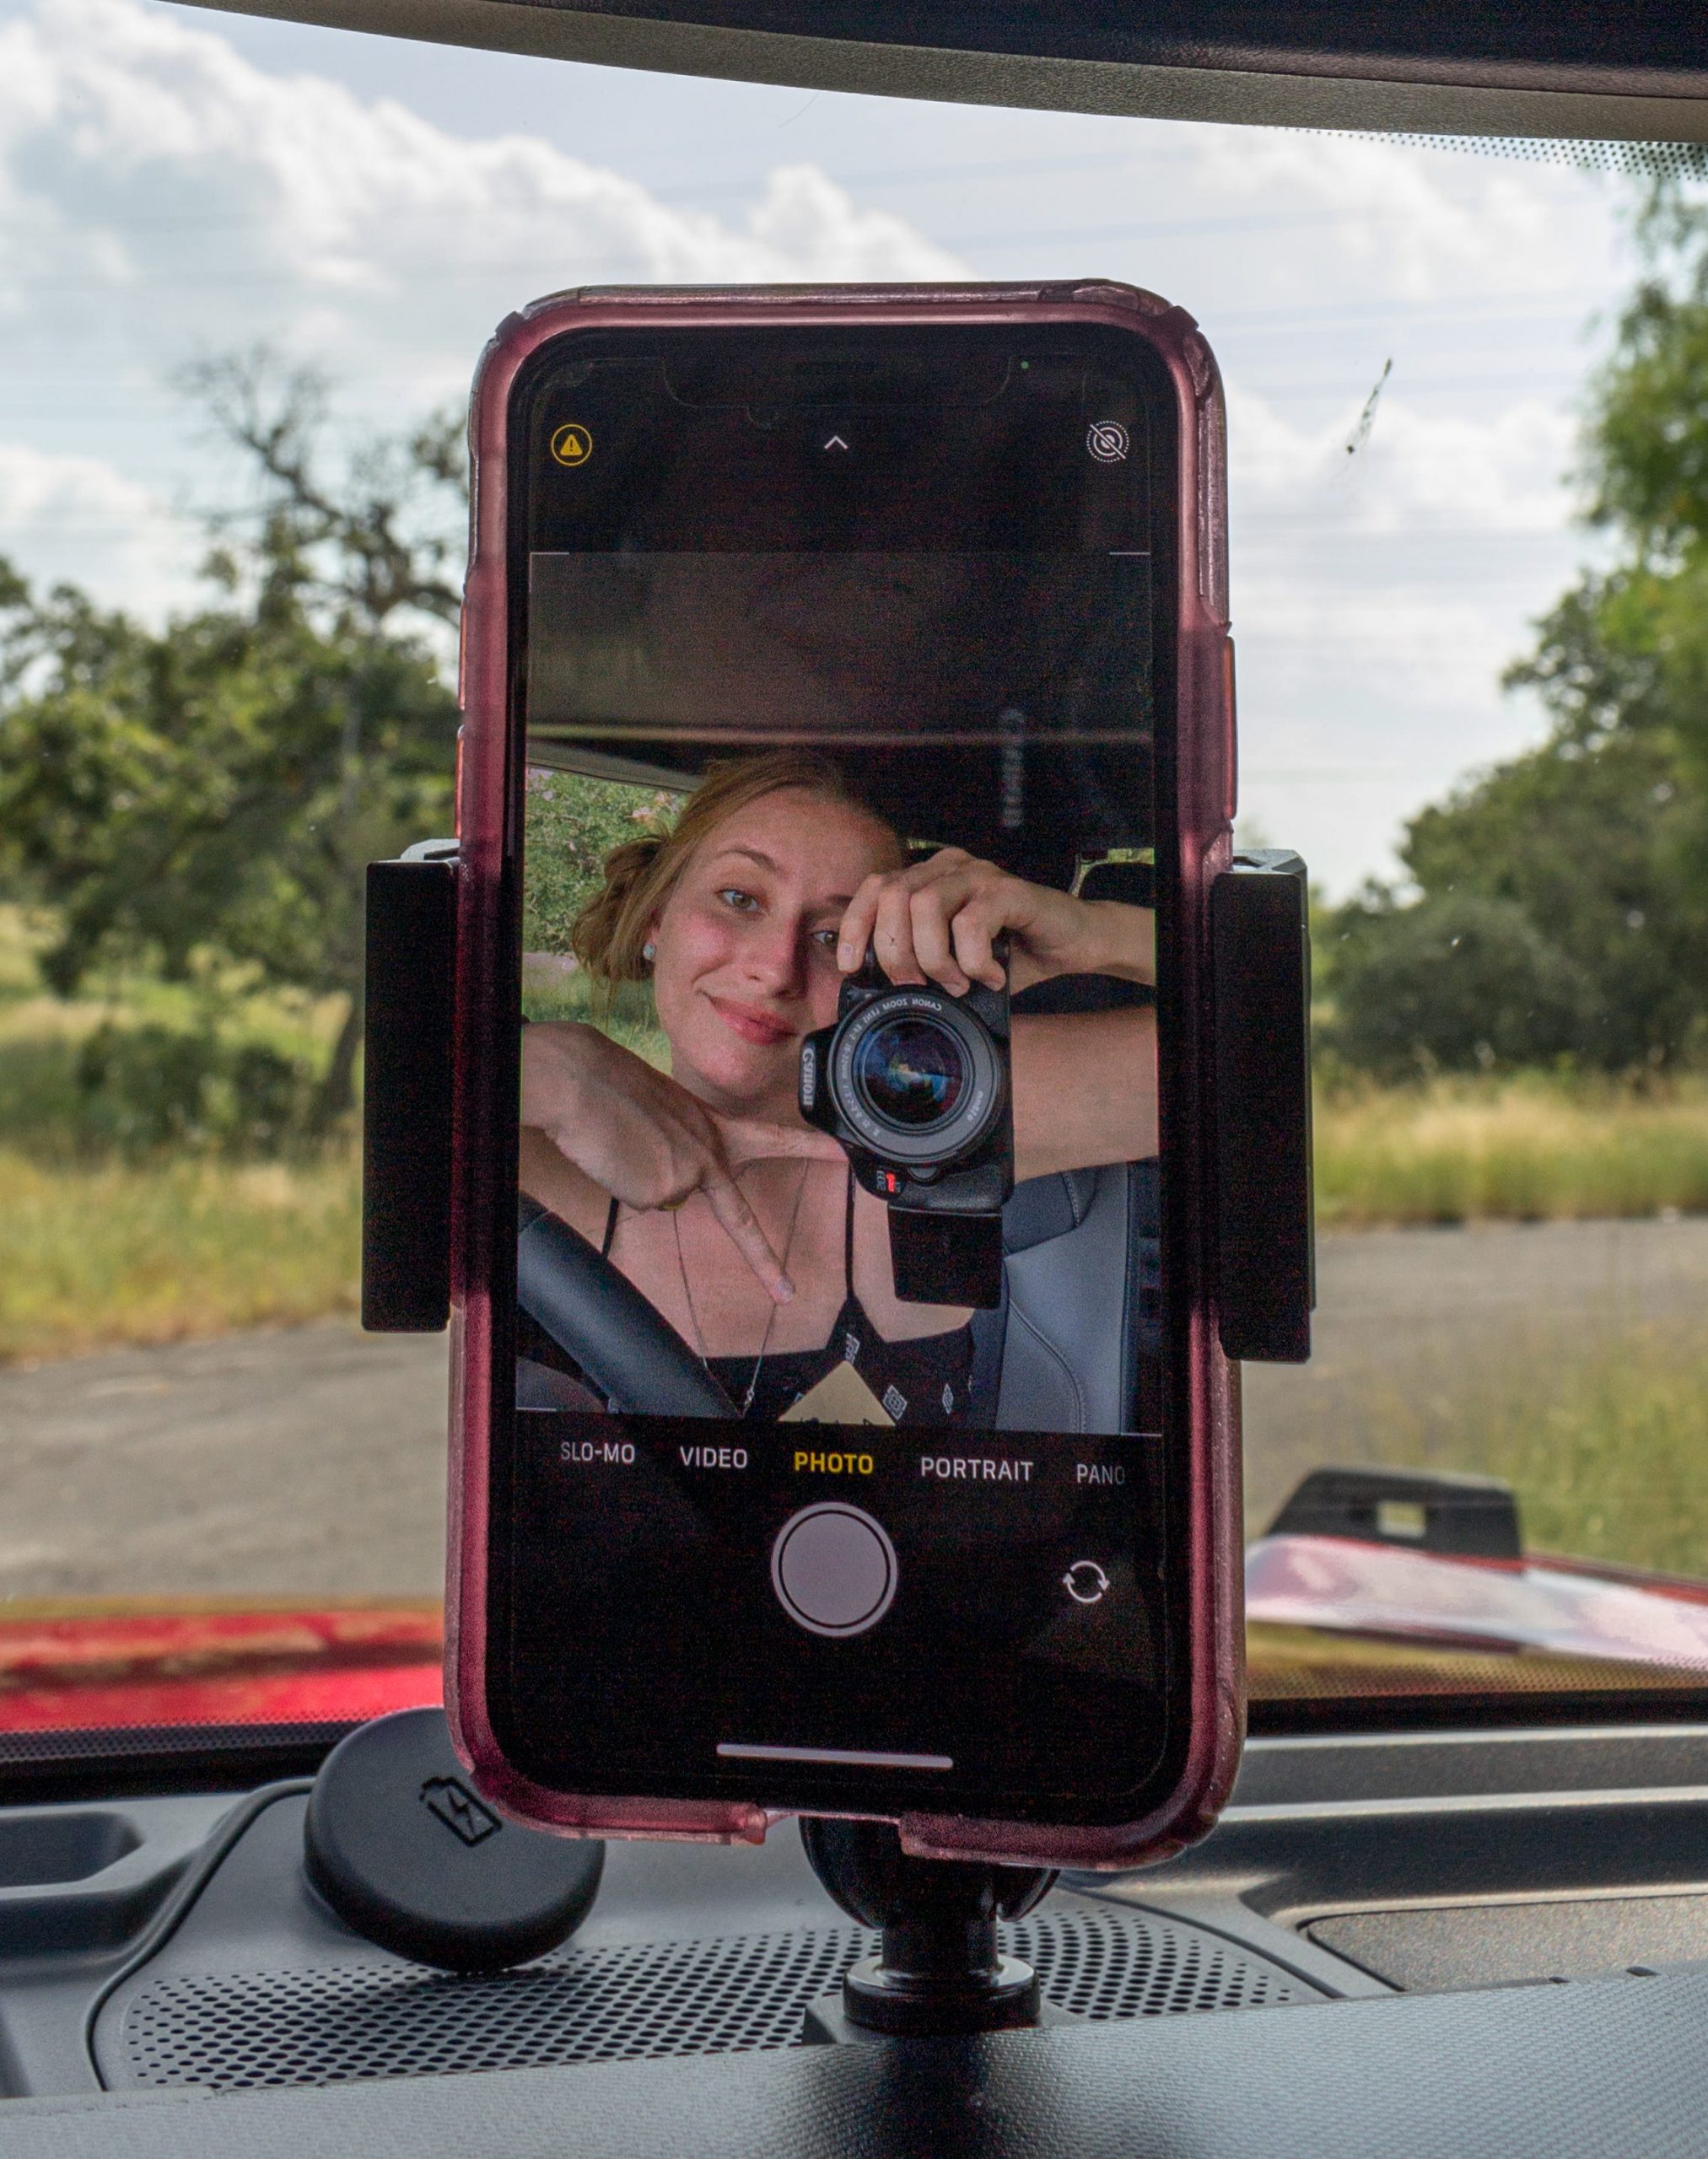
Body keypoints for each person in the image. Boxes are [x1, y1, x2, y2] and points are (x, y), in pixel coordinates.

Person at [520, 750, 1156, 1425]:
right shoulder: (533, 1150)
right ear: (656, 919)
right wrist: (538, 1072)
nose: (774, 968)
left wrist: (1091, 934)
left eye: (832, 935)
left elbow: (1265, 1051)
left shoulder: (941, 1121)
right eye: (739, 899)